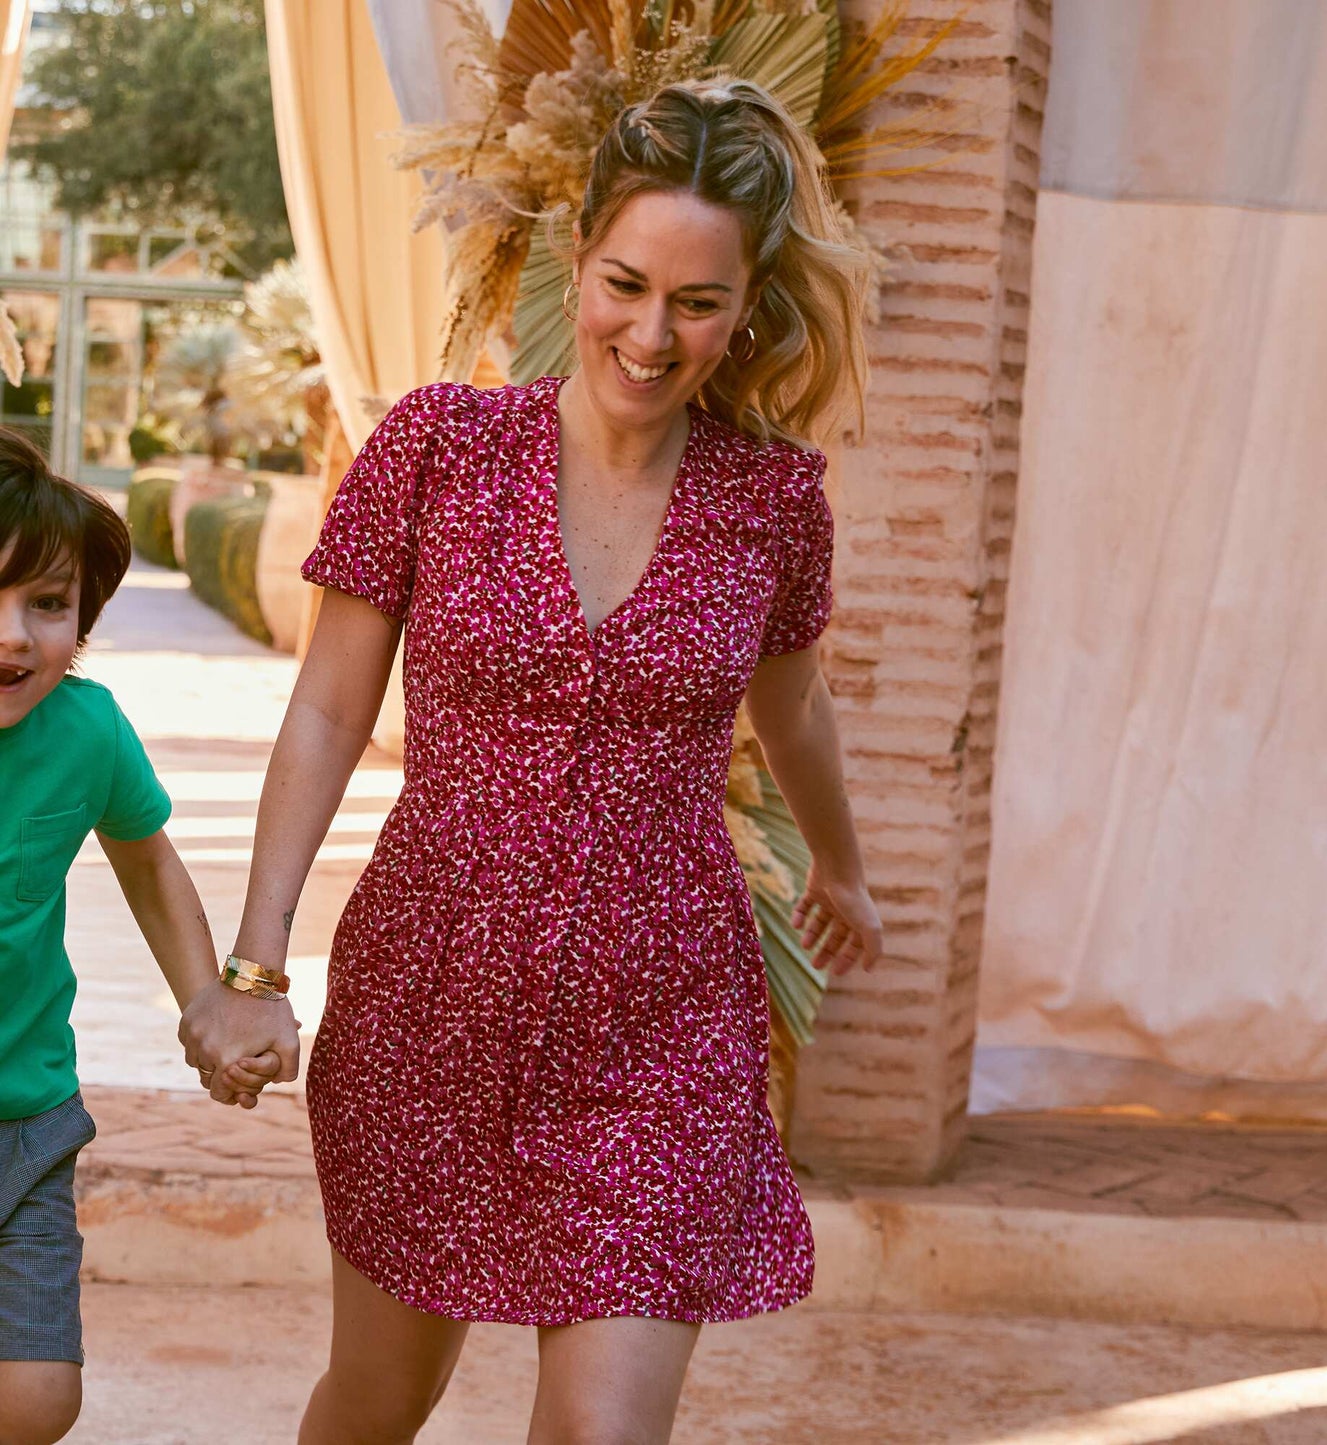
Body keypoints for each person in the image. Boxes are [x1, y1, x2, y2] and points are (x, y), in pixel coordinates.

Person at [181, 76, 884, 1444]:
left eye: (698, 300)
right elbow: (327, 711)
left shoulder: (771, 503)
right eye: (627, 283)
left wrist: (843, 869)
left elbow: (794, 709)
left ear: (746, 306)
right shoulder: (439, 451)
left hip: (661, 1015)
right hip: (432, 996)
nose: (651, 332)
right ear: (578, 260)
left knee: (602, 1433)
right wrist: (257, 968)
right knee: (381, 1401)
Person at [0, 429, 288, 1445]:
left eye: (47, 601)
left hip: (27, 1120)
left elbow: (148, 857)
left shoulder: (87, 729)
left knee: (37, 1398)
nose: (17, 635)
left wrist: (208, 994)